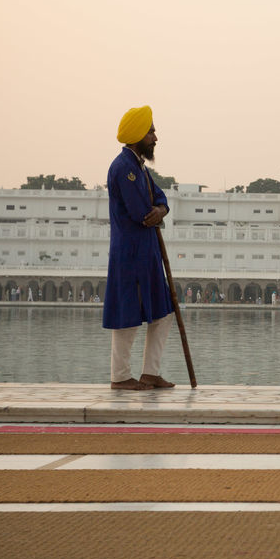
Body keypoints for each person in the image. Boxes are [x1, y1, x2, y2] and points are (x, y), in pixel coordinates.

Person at [102, 105, 176, 391]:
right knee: (128, 315)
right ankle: (120, 376)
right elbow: (141, 213)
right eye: (151, 131)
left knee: (163, 313)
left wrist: (162, 208)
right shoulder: (123, 169)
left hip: (148, 254)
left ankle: (150, 373)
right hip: (130, 254)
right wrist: (156, 211)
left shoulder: (139, 168)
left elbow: (160, 198)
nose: (155, 137)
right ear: (137, 135)